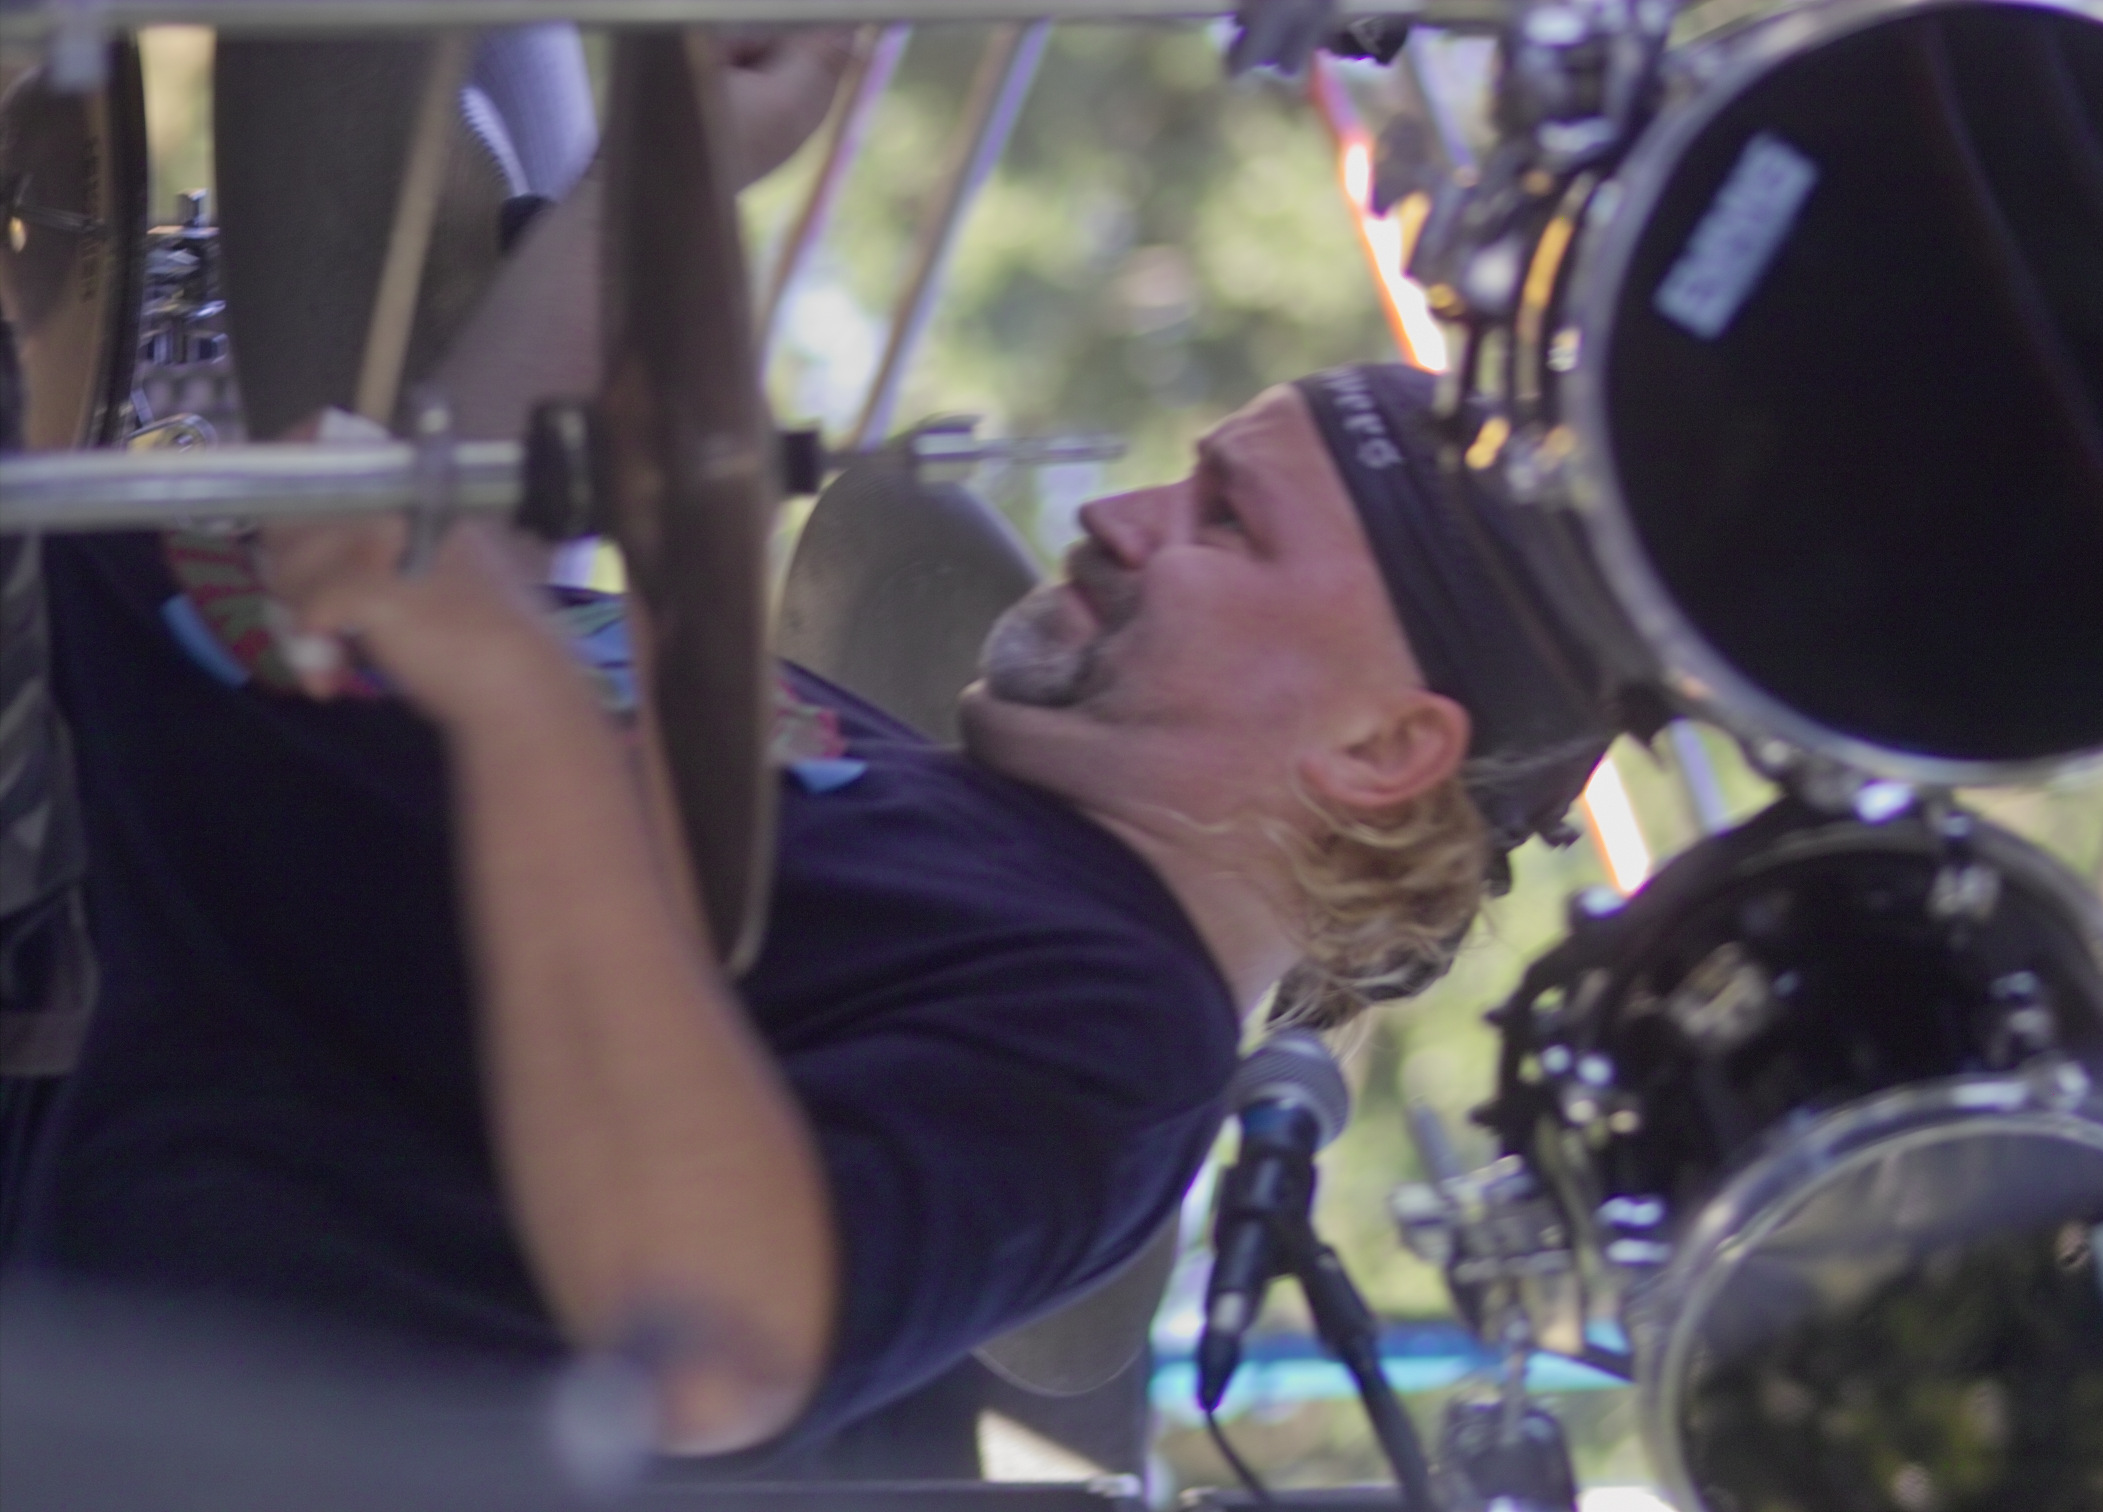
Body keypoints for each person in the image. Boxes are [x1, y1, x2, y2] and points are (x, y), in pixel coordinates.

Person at [6, 41, 1616, 1472]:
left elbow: (719, 1343)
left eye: (1223, 522)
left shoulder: (1122, 1043)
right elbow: (413, 591)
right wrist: (680, 154)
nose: (1121, 518)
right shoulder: (935, 800)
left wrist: (515, 701)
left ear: (1383, 749)